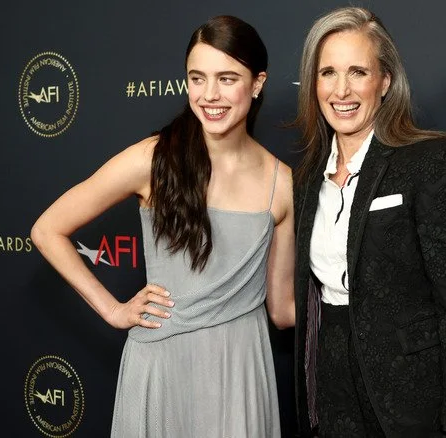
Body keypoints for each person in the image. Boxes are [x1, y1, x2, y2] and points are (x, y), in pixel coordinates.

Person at [30, 15, 295, 438]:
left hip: (241, 368)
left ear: (258, 83)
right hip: (162, 365)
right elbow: (48, 229)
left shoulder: (282, 184)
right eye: (197, 78)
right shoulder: (152, 160)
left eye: (227, 78)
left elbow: (282, 310)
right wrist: (114, 310)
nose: (210, 95)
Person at [291, 7, 446, 438]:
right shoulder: (307, 179)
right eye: (327, 72)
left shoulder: (429, 161)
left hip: (413, 401)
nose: (341, 89)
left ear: (384, 81)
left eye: (358, 72)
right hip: (332, 397)